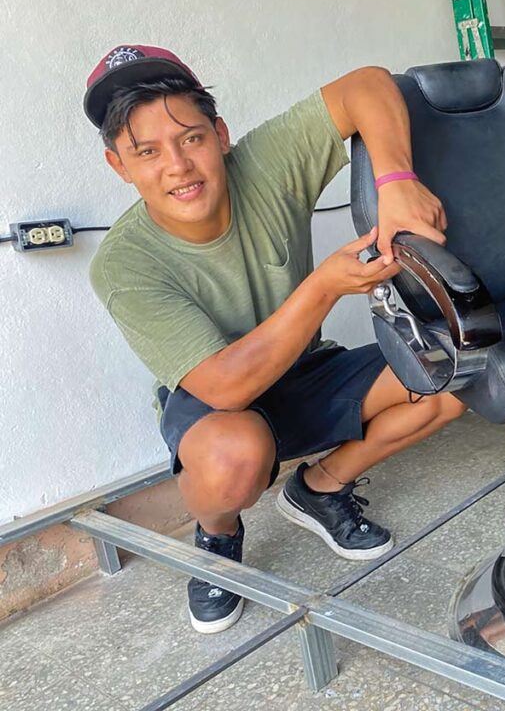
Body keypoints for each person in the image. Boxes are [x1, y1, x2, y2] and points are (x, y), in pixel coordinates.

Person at [85, 45, 466, 634]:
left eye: (190, 138)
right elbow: (224, 384)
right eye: (147, 151)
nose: (178, 166)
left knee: (452, 375)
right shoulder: (124, 263)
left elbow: (365, 83)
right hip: (217, 402)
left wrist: (396, 181)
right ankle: (217, 535)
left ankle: (320, 487)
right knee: (232, 455)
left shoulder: (260, 164)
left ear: (220, 135)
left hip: (306, 368)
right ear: (120, 167)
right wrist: (324, 288)